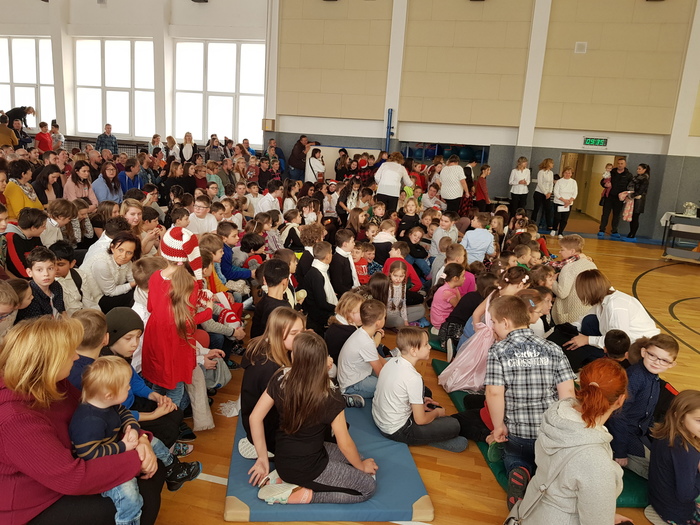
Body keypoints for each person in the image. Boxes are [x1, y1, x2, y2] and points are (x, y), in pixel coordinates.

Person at [0, 316, 165, 525]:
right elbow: (71, 478)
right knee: (143, 497)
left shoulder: (54, 382)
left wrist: (141, 439)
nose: (76, 357)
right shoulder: (16, 419)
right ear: (50, 362)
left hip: (70, 467)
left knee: (151, 475)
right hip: (35, 504)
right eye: (70, 352)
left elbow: (103, 412)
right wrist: (136, 458)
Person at [247, 332, 378, 505]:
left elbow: (255, 417)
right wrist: (360, 467)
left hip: (287, 458)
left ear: (295, 357)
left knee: (357, 458)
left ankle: (284, 478)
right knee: (368, 487)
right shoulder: (330, 394)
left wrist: (262, 457)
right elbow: (344, 442)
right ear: (323, 361)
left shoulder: (280, 376)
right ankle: (301, 495)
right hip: (306, 468)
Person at [69, 355, 200, 525]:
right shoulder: (88, 421)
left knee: (155, 442)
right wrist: (123, 446)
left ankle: (173, 469)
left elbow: (124, 414)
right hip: (100, 467)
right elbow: (88, 454)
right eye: (126, 386)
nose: (129, 387)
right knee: (130, 496)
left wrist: (131, 428)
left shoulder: (109, 404)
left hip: (114, 449)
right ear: (109, 395)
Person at [510, 358, 632, 525]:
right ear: (621, 400)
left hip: (532, 511)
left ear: (582, 386)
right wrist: (603, 516)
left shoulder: (557, 413)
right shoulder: (595, 460)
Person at [484, 295, 576, 509]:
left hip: (519, 434)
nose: (493, 327)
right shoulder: (553, 348)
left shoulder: (498, 351)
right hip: (549, 433)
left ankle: (518, 470)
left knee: (513, 456)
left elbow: (494, 393)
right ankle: (545, 477)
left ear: (505, 322)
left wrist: (498, 426)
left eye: (494, 322)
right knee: (548, 460)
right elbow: (568, 392)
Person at [141, 227, 212, 409]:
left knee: (159, 380)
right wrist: (209, 310)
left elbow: (150, 307)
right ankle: (172, 417)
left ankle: (159, 415)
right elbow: (188, 321)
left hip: (156, 336)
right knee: (175, 386)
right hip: (176, 341)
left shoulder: (155, 276)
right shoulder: (189, 283)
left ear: (164, 253)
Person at [373, 327, 467, 452]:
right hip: (396, 430)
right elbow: (420, 420)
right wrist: (437, 413)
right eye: (426, 344)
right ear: (413, 351)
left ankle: (426, 431)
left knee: (426, 392)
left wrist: (421, 403)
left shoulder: (392, 361)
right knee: (454, 425)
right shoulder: (413, 378)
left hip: (380, 418)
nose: (430, 347)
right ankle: (426, 438)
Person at [606, 334, 679, 479]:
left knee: (666, 460)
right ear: (644, 352)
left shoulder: (654, 379)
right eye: (652, 355)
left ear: (671, 364)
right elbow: (617, 415)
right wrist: (620, 451)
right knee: (658, 473)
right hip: (624, 436)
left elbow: (648, 412)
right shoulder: (634, 377)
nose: (657, 362)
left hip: (640, 432)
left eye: (664, 360)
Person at [563, 269, 660, 370]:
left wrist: (587, 340)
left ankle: (602, 365)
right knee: (589, 320)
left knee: (581, 351)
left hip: (636, 350)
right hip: (620, 343)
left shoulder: (615, 306)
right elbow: (582, 319)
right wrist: (566, 329)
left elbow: (618, 342)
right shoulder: (603, 300)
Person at [647, 390, 700, 525]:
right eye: (699, 420)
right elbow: (686, 496)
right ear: (680, 417)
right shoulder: (686, 450)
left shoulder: (665, 434)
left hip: (658, 501)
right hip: (677, 513)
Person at [337, 299, 387, 399]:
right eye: (384, 317)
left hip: (358, 374)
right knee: (388, 386)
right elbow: (380, 371)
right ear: (378, 323)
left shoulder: (363, 332)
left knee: (391, 364)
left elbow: (376, 356)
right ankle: (349, 396)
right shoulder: (366, 342)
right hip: (352, 385)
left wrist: (390, 366)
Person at [89, 230, 140, 312]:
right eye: (120, 250)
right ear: (112, 248)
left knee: (139, 291)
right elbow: (110, 292)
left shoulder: (127, 261)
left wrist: (138, 283)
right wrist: (135, 283)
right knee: (134, 296)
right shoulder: (101, 264)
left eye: (129, 252)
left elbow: (132, 278)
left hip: (114, 289)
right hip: (98, 297)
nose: (123, 256)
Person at [551, 235, 597, 325]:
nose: (559, 252)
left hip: (570, 317)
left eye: (562, 249)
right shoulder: (591, 264)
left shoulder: (568, 267)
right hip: (589, 312)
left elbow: (562, 293)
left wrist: (552, 281)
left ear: (572, 251)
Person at [303, 241, 338, 334]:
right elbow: (321, 303)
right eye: (331, 253)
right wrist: (337, 307)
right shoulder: (317, 275)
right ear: (327, 256)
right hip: (318, 319)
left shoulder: (318, 270)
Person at [598, 158, 632, 239]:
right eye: (618, 163)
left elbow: (630, 186)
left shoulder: (628, 175)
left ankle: (614, 231)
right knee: (605, 214)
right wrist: (604, 184)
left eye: (622, 163)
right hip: (609, 197)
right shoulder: (611, 172)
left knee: (616, 215)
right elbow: (603, 181)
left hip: (619, 198)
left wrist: (628, 196)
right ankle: (602, 230)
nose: (620, 165)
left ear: (625, 164)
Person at [428, 263, 465, 332]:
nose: (464, 278)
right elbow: (459, 307)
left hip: (438, 319)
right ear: (455, 278)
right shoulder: (447, 293)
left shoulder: (448, 286)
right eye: (463, 276)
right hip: (441, 323)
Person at [624, 163, 650, 241]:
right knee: (631, 216)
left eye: (639, 169)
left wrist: (631, 196)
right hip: (633, 198)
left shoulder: (645, 179)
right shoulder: (635, 178)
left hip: (639, 200)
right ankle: (630, 233)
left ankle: (633, 234)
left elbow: (641, 190)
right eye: (637, 169)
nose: (637, 170)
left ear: (644, 170)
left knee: (635, 217)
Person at [551, 166, 577, 238]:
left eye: (569, 173)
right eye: (566, 173)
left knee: (564, 219)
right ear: (563, 173)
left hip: (568, 203)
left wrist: (569, 201)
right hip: (559, 202)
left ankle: (560, 232)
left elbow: (575, 193)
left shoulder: (573, 182)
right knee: (557, 217)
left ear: (571, 174)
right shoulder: (559, 181)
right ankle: (554, 229)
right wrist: (564, 200)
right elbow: (556, 192)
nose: (567, 174)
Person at [532, 158, 553, 230]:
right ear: (548, 164)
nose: (552, 165)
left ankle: (549, 225)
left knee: (548, 209)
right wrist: (545, 193)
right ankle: (532, 223)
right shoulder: (541, 172)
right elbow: (540, 183)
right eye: (551, 163)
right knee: (536, 208)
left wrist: (549, 192)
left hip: (547, 193)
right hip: (539, 192)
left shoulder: (551, 173)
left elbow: (551, 183)